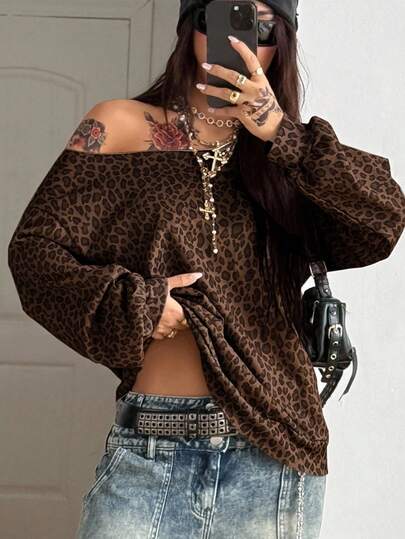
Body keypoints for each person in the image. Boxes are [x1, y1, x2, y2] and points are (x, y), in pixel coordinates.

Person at [7, 1, 405, 538]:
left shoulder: (288, 155)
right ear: (190, 25)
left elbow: (384, 217)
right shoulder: (120, 125)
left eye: (262, 23)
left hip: (272, 452)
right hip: (148, 449)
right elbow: (34, 252)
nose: (243, 37)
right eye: (224, 16)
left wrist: (278, 132)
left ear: (284, 38)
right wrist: (140, 305)